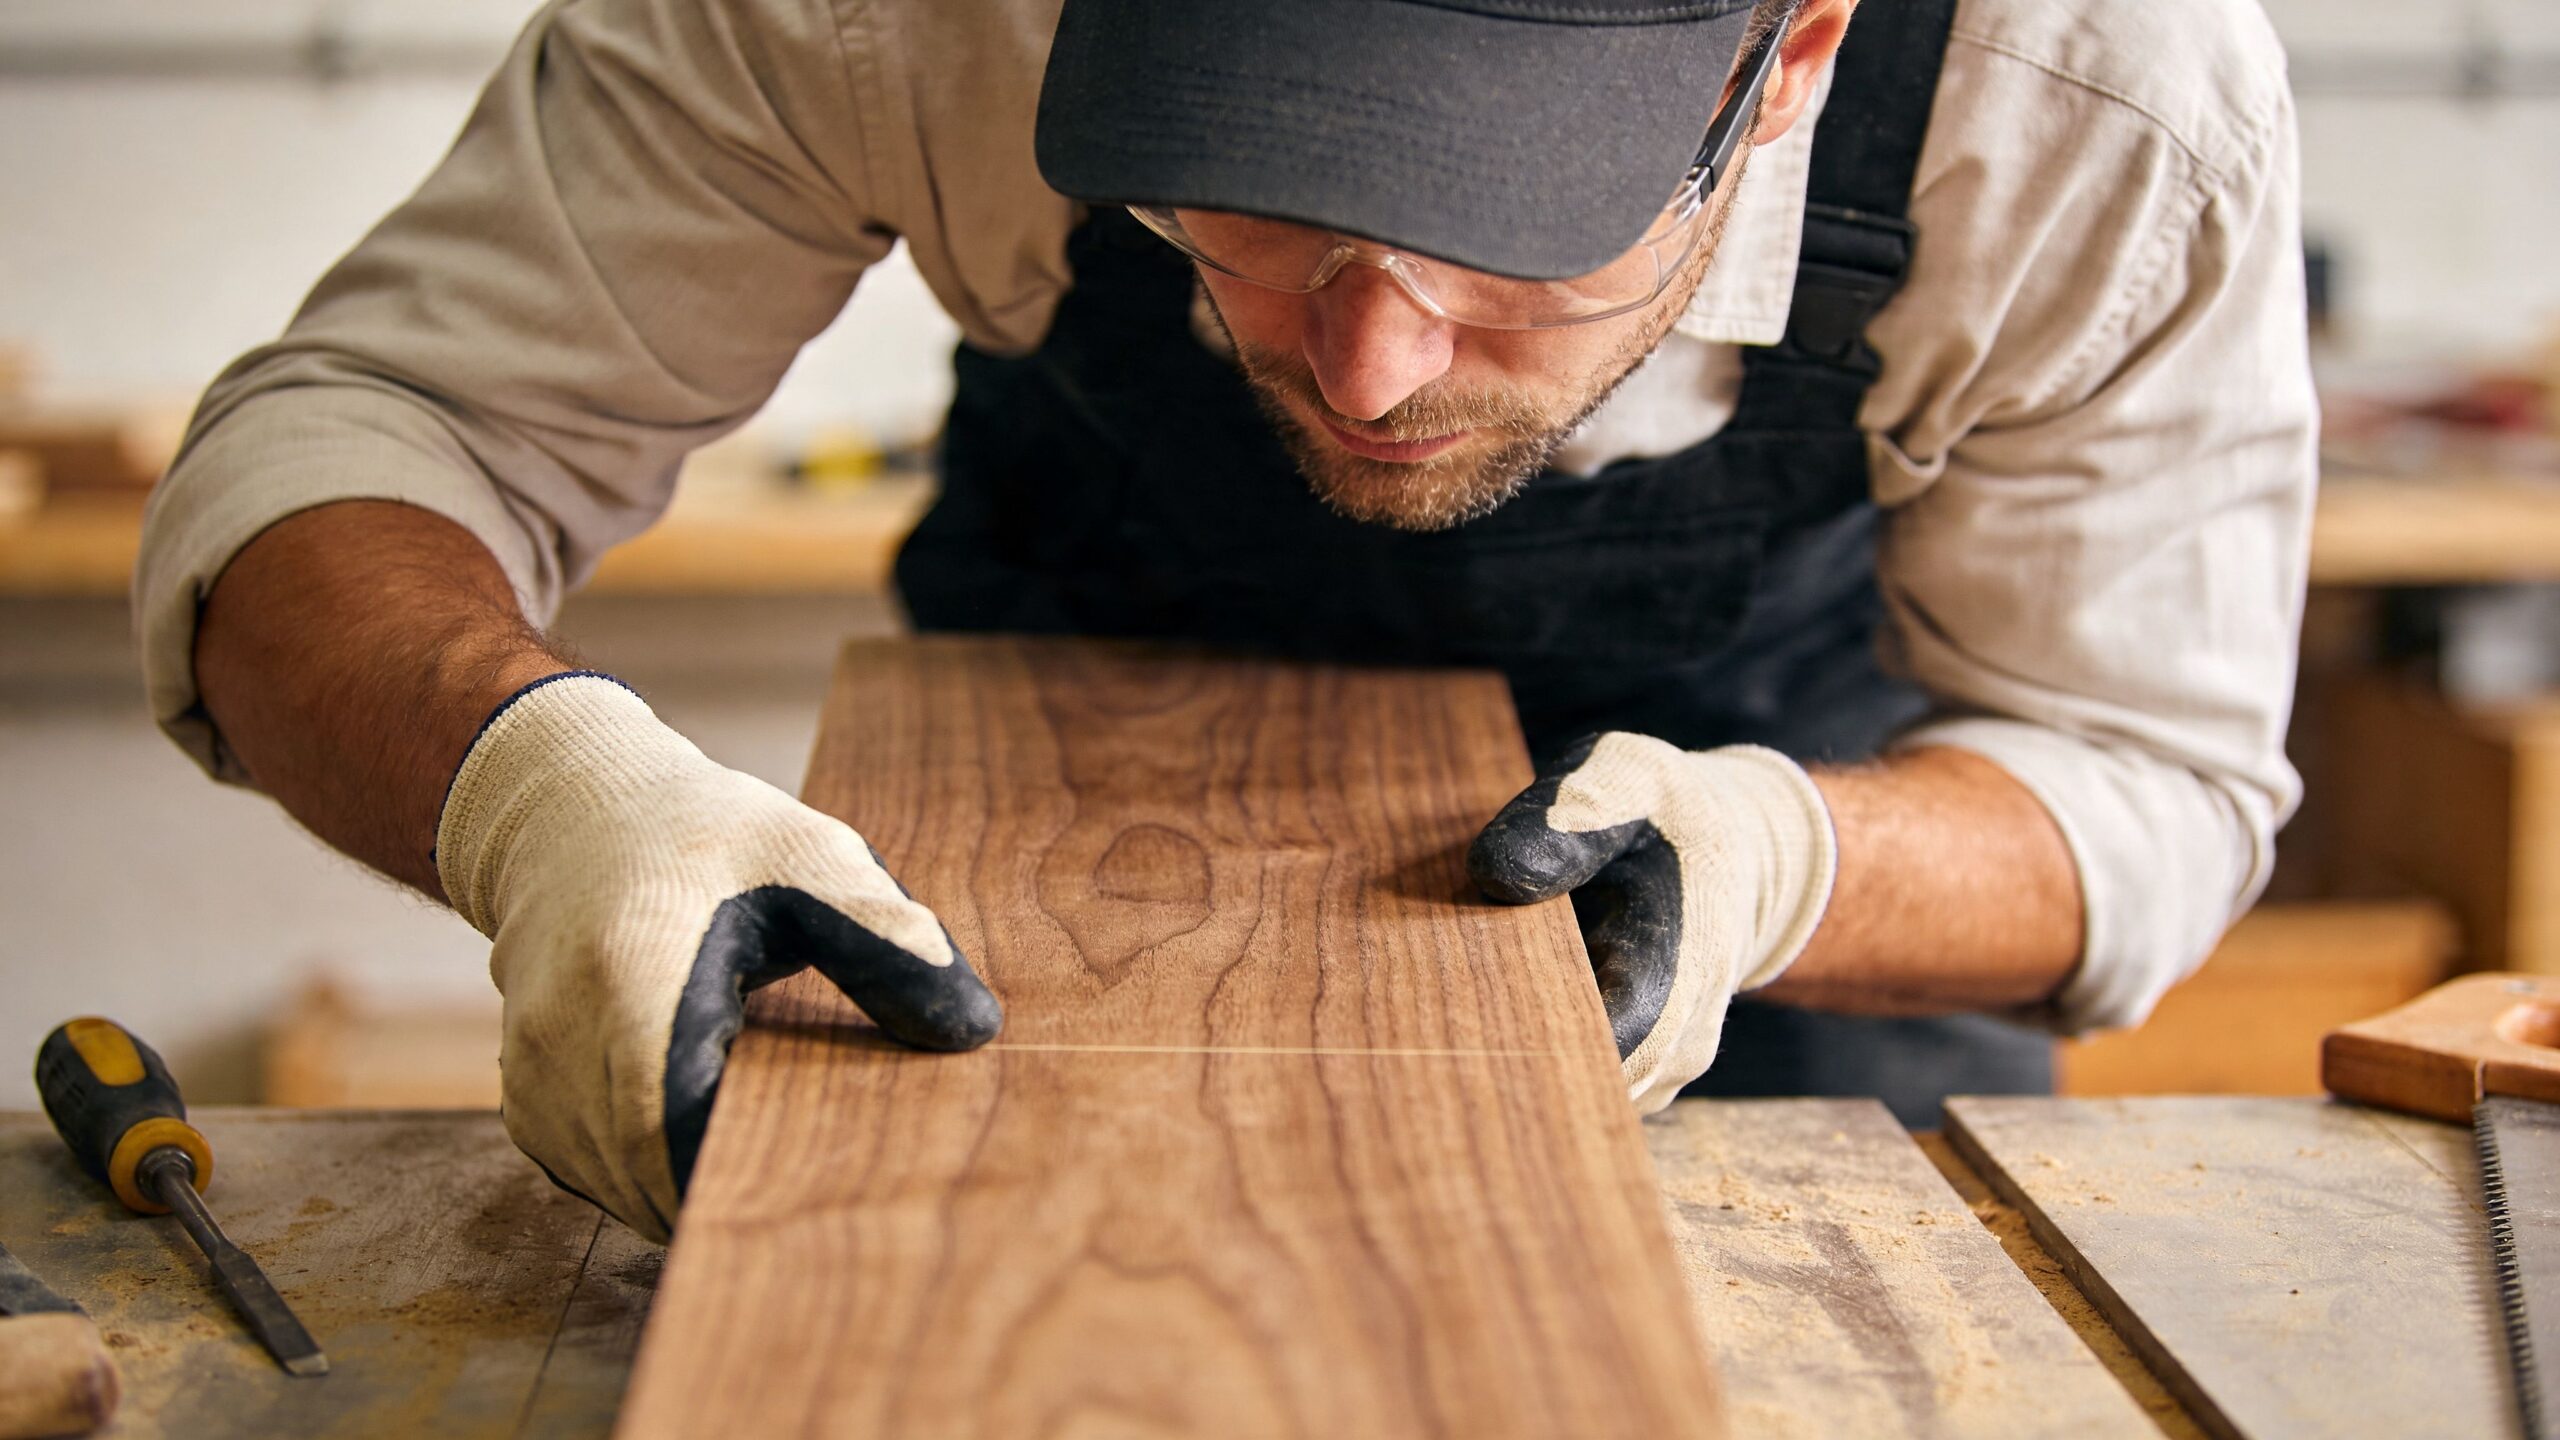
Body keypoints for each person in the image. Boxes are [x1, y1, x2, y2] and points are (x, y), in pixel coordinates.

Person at [135, 0, 2314, 1241]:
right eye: (1254, 210)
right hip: (1025, 882)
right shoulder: (889, 12)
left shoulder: (2089, 102)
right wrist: (537, 795)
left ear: (1791, 56)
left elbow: (2143, 774)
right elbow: (365, 434)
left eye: (1508, 244)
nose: (1365, 371)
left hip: (1787, 924)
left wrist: (1779, 869)